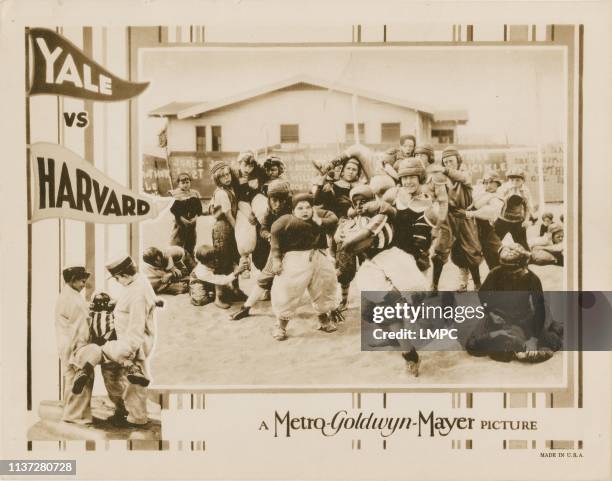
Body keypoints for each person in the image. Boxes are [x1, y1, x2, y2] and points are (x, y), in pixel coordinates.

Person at [466, 243, 562, 363]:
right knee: (476, 345)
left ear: (523, 265)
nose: (510, 274)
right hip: (499, 317)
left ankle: (552, 326)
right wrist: (490, 313)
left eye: (514, 271)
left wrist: (534, 339)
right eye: (506, 270)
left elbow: (539, 308)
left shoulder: (532, 279)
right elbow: (483, 294)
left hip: (524, 317)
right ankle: (513, 342)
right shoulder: (495, 273)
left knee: (550, 340)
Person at [269, 193, 341, 340]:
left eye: (308, 207)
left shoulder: (317, 215)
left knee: (324, 285)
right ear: (293, 210)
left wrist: (319, 220)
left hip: (317, 255)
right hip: (295, 258)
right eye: (300, 208)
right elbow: (275, 240)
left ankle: (323, 318)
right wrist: (276, 260)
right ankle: (280, 325)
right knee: (288, 290)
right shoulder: (285, 221)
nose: (305, 211)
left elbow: (334, 218)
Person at [101, 255, 158, 427]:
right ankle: (126, 412)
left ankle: (135, 418)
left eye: (117, 278)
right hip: (129, 341)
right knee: (121, 377)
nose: (117, 281)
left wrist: (127, 352)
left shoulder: (137, 293)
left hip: (132, 343)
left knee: (131, 381)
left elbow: (136, 325)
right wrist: (116, 304)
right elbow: (130, 305)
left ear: (123, 274)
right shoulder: (138, 281)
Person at [230, 180, 293, 320]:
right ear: (269, 199)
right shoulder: (268, 212)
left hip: (297, 249)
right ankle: (247, 307)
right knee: (265, 276)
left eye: (281, 201)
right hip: (277, 250)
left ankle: (326, 310)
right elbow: (263, 229)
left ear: (287, 199)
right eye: (274, 200)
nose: (277, 204)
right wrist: (269, 236)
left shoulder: (295, 208)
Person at [70, 292, 150, 395]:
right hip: (102, 348)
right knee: (103, 353)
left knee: (109, 354)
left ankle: (84, 373)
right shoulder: (91, 314)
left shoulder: (112, 313)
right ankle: (133, 369)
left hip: (106, 347)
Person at [54, 266, 94, 424]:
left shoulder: (69, 294)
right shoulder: (72, 299)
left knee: (70, 376)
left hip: (65, 342)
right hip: (75, 342)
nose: (84, 283)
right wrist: (82, 348)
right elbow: (80, 327)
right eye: (82, 280)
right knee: (83, 376)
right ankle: (78, 416)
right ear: (72, 280)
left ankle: (68, 408)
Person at [440, 146, 483, 291]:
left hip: (465, 216)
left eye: (450, 161)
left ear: (458, 161)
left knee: (471, 250)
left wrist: (445, 170)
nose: (447, 164)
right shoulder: (444, 178)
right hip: (450, 216)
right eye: (445, 162)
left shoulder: (465, 174)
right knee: (457, 252)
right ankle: (463, 282)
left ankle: (477, 283)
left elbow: (462, 177)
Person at [209, 161, 247, 306]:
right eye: (223, 176)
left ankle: (235, 289)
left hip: (231, 227)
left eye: (228, 174)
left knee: (235, 259)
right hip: (223, 228)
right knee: (222, 261)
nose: (227, 177)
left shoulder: (231, 189)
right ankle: (219, 296)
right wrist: (238, 230)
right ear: (217, 179)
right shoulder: (221, 193)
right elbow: (228, 214)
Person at [466, 172, 504, 269]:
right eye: (486, 183)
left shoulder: (497, 197)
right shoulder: (482, 194)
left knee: (495, 259)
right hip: (476, 230)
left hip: (489, 231)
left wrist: (472, 213)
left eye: (491, 182)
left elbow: (489, 212)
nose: (488, 185)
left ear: (497, 184)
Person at [495, 167, 537, 250]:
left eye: (518, 180)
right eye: (512, 180)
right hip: (503, 220)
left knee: (523, 245)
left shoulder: (525, 191)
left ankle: (524, 260)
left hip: (518, 221)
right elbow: (497, 204)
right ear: (508, 180)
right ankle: (494, 260)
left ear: (523, 181)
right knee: (494, 242)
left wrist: (526, 220)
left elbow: (528, 207)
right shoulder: (504, 188)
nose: (514, 182)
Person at [169, 173, 202, 258]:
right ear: (179, 184)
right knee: (178, 240)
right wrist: (182, 218)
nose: (185, 185)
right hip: (180, 223)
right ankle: (176, 257)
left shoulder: (194, 193)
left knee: (191, 240)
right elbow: (174, 210)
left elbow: (199, 208)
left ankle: (190, 257)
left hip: (192, 222)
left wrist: (195, 217)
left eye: (187, 182)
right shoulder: (175, 194)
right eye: (183, 183)